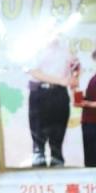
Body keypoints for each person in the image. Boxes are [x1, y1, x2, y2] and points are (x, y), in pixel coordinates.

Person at [27, 38, 78, 167]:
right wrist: (60, 81)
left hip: (59, 93)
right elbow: (33, 71)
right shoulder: (35, 50)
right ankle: (38, 156)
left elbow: (76, 67)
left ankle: (57, 157)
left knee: (59, 127)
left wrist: (74, 77)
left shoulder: (66, 52)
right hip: (40, 91)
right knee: (38, 127)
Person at [80, 49, 96, 167]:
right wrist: (83, 100)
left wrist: (88, 104)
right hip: (88, 122)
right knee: (90, 159)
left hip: (93, 122)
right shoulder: (93, 78)